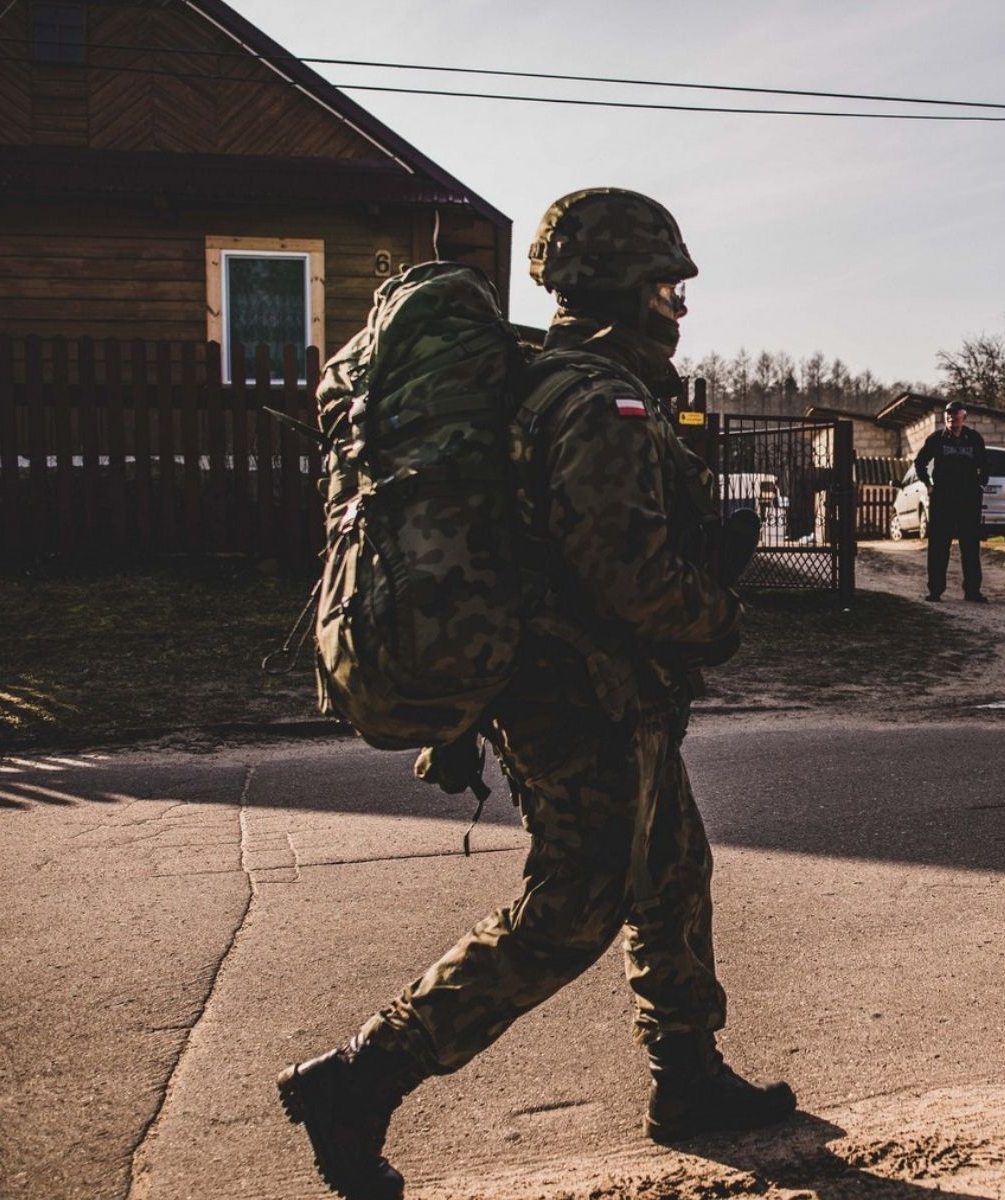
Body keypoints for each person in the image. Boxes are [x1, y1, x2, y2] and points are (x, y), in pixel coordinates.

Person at [277, 189, 794, 1200]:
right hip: (577, 695)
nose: (677, 306)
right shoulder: (599, 397)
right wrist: (716, 612)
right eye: (666, 286)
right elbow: (624, 572)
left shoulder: (553, 382)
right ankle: (358, 1081)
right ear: (621, 283)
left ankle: (686, 1078)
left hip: (594, 687)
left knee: (673, 872)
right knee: (572, 909)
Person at [913, 399, 990, 602]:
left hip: (968, 501)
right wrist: (928, 484)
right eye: (948, 414)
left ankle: (972, 591)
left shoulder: (974, 439)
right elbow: (920, 463)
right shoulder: (937, 439)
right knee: (938, 546)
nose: (951, 417)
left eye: (955, 414)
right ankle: (935, 590)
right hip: (943, 500)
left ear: (964, 417)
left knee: (970, 547)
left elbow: (985, 466)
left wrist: (980, 487)